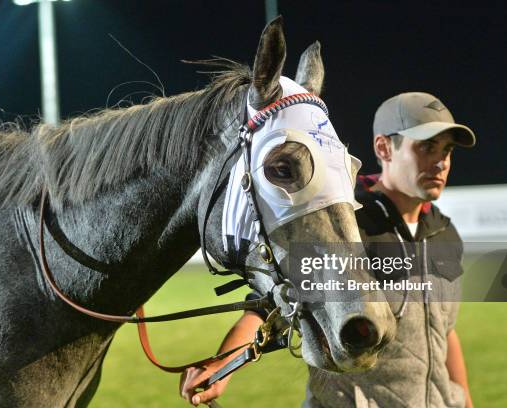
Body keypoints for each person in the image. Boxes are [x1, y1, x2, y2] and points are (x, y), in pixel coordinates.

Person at [180, 92, 475, 407]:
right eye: (427, 147)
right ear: (384, 148)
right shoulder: (344, 228)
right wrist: (222, 367)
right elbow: (268, 308)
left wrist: (463, 398)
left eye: (448, 150)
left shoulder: (445, 232)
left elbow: (445, 331)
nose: (441, 162)